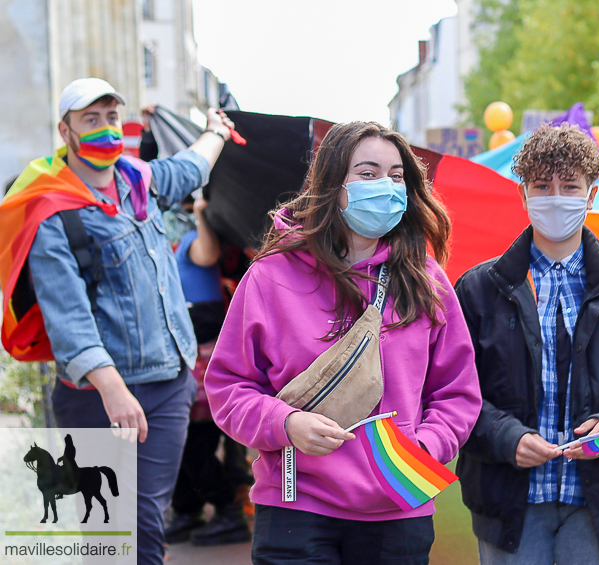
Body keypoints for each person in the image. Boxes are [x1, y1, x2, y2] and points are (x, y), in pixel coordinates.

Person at [204, 122, 482, 565]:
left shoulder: (428, 281)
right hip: (294, 505)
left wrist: (424, 449)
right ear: (333, 186)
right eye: (368, 173)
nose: (387, 187)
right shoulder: (270, 276)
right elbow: (228, 388)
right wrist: (285, 424)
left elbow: (458, 393)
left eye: (396, 176)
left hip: (399, 506)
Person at [12, 78, 233, 565]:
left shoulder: (140, 181)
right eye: (91, 120)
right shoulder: (54, 213)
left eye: (111, 117)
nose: (106, 129)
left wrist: (217, 129)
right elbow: (68, 316)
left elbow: (191, 167)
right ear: (65, 132)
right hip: (99, 397)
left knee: (143, 524)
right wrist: (113, 390)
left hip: (170, 384)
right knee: (112, 530)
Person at [454, 123, 599, 565]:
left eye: (569, 186)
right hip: (509, 504)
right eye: (542, 186)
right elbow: (454, 394)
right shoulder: (480, 288)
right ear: (523, 195)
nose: (555, 197)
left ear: (591, 196)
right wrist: (505, 437)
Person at [164, 192, 252, 546]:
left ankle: (227, 512)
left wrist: (200, 214)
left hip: (203, 351)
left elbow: (209, 254)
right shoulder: (164, 244)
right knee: (181, 440)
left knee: (194, 440)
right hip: (181, 351)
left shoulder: (191, 239)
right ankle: (188, 510)